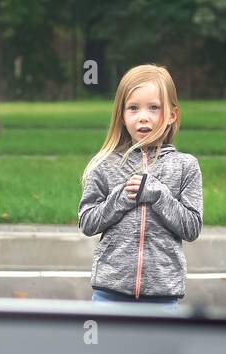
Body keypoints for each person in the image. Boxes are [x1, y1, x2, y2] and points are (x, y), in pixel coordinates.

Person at [78, 64, 203, 311]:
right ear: (122, 116)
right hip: (109, 295)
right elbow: (87, 222)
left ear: (172, 115)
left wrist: (159, 195)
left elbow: (191, 227)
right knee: (108, 351)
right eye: (133, 108)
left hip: (163, 297)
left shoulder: (185, 166)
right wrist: (121, 198)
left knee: (159, 351)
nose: (143, 116)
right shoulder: (105, 165)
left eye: (154, 108)